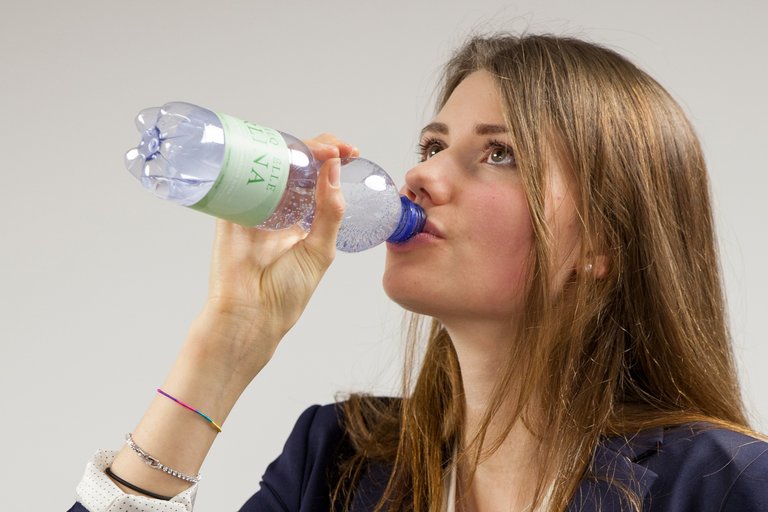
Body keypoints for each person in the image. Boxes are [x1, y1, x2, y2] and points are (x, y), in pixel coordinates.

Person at [69, 33, 768, 512]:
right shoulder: (338, 461)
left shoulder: (722, 485)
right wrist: (224, 345)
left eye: (500, 155)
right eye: (432, 144)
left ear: (603, 243)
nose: (421, 174)